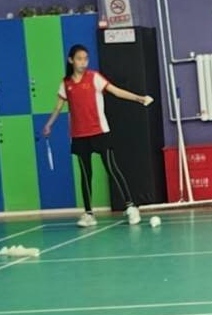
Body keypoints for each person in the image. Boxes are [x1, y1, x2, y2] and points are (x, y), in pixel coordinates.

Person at [42, 45, 155, 228]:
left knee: (112, 169)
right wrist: (49, 124)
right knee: (85, 175)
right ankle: (88, 214)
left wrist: (139, 98)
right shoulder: (66, 84)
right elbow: (58, 107)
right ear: (71, 60)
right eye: (79, 59)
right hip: (79, 136)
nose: (83, 62)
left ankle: (131, 207)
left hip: (100, 132)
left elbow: (116, 91)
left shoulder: (94, 77)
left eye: (86, 59)